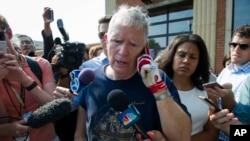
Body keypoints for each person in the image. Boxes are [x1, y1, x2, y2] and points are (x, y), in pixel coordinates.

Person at [73, 5, 191, 141]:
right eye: (117, 41)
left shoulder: (159, 80)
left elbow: (183, 137)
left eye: (133, 44)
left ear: (144, 49)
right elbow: (80, 134)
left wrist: (157, 88)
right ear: (106, 41)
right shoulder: (91, 79)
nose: (123, 51)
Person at [0, 14, 58, 141]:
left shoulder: (40, 64)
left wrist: (25, 80)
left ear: (8, 33)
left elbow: (54, 108)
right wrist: (6, 129)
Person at [156, 34, 219, 140]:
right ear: (172, 56)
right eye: (181, 55)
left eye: (193, 57)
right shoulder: (156, 91)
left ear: (199, 62)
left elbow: (213, 133)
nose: (186, 61)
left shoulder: (208, 94)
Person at [216, 24, 250, 141]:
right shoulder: (227, 70)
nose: (236, 49)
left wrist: (227, 127)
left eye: (243, 46)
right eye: (233, 45)